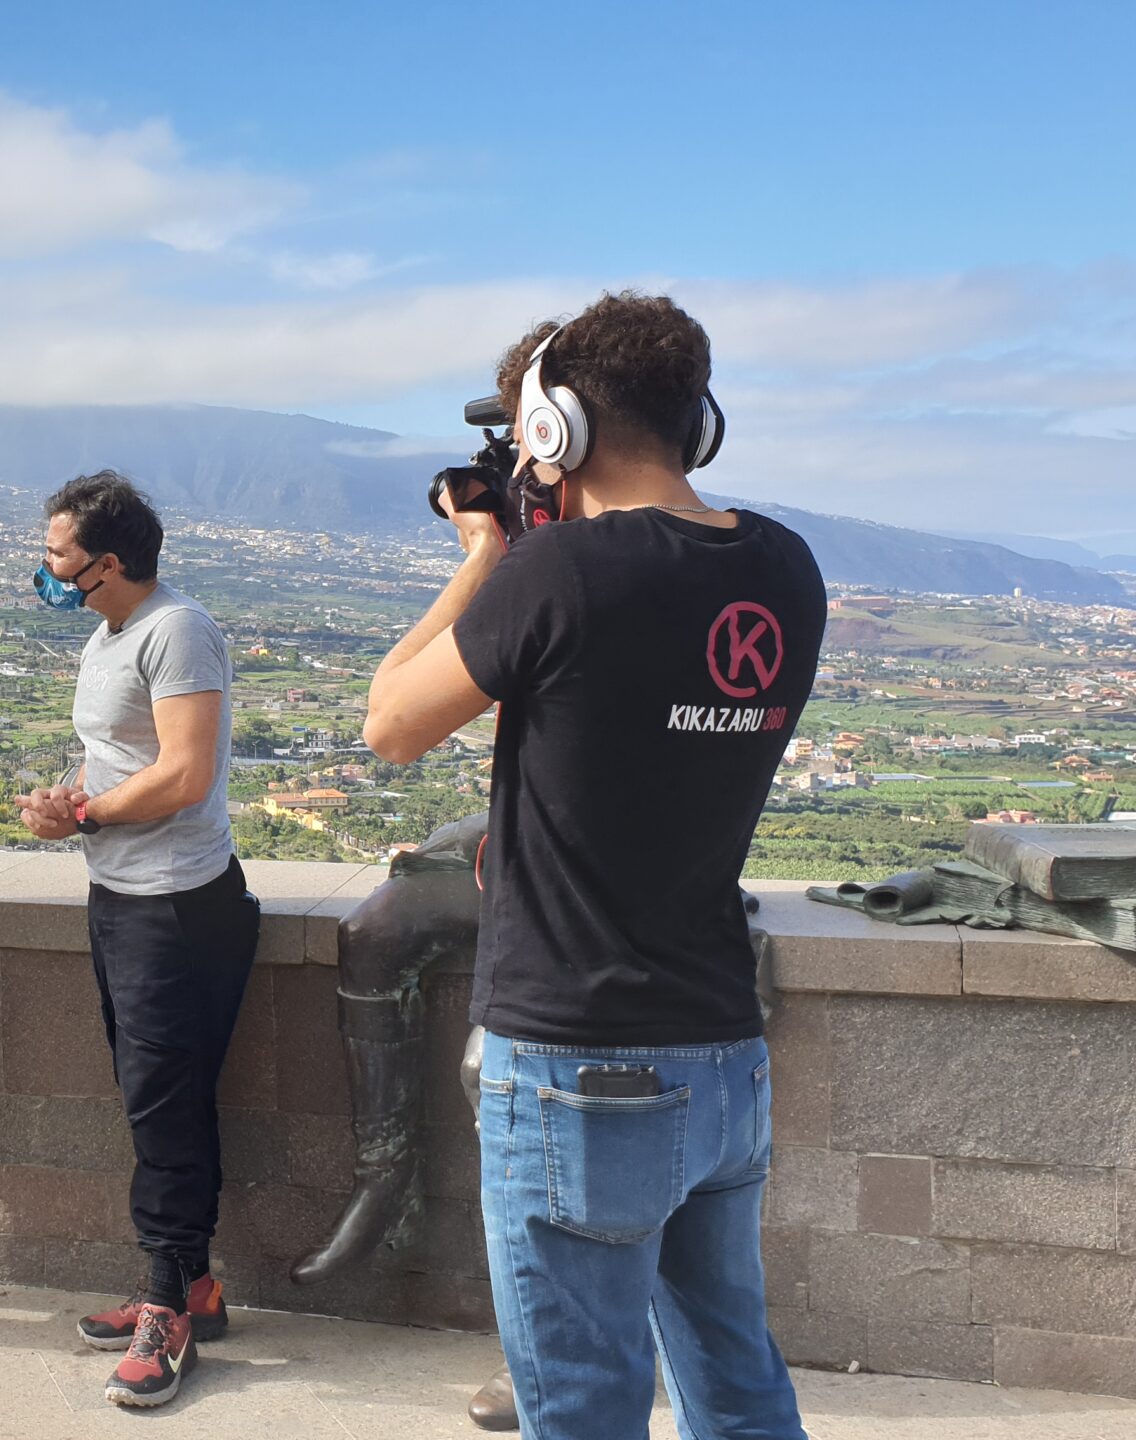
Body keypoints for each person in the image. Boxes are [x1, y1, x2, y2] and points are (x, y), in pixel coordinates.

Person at [361, 292, 825, 1437]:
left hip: (578, 1063)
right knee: (736, 1381)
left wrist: (486, 549)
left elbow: (390, 723)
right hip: (722, 1055)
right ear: (694, 421)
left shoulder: (557, 574)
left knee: (579, 1406)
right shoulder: (786, 570)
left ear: (552, 430)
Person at [15, 471, 259, 1410]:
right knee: (153, 1096)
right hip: (118, 898)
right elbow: (119, 762)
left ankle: (169, 1313)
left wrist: (84, 819)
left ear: (106, 563)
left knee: (164, 1110)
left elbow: (186, 775)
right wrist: (69, 802)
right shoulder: (108, 633)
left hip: (176, 908)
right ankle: (193, 1284)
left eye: (56, 555)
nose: (45, 567)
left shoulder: (178, 630)